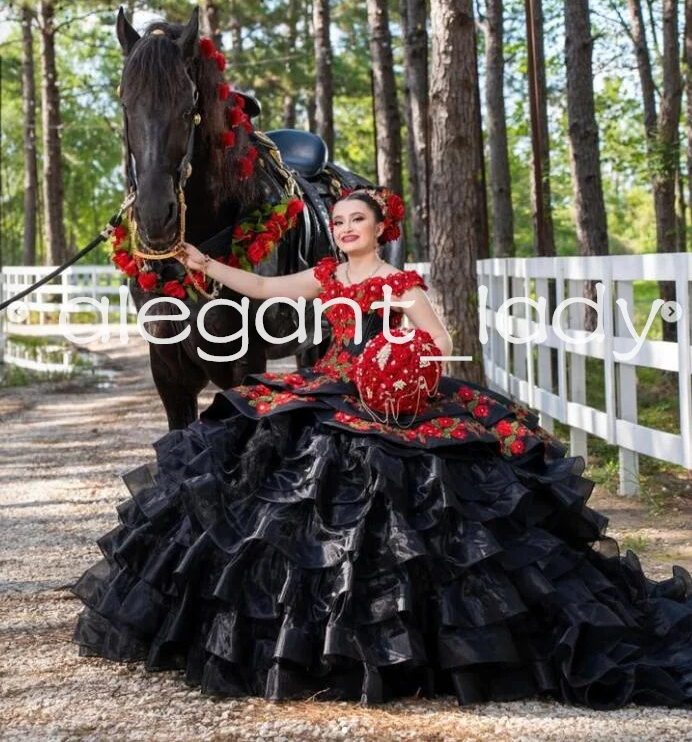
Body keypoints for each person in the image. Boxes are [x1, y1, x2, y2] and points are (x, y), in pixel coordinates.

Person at [70, 187, 692, 711]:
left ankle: (426, 640)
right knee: (269, 457)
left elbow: (438, 337)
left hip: (393, 392)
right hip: (335, 384)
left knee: (418, 496)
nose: (344, 230)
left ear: (379, 227)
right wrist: (204, 263)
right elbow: (260, 286)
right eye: (337, 222)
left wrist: (394, 362)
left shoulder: (399, 282)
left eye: (356, 220)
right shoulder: (326, 276)